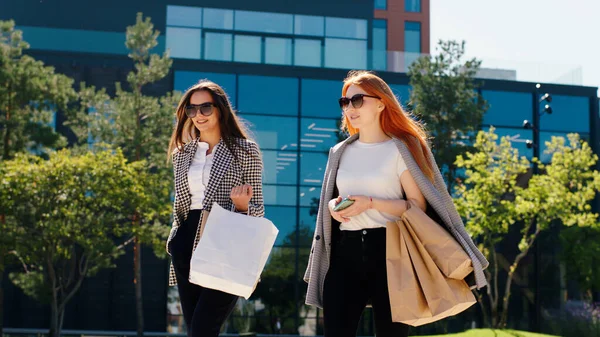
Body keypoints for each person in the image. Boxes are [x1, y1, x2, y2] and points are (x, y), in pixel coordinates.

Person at [303, 70, 489, 337]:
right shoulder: (339, 151)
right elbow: (335, 197)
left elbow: (416, 206)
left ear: (381, 103)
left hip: (391, 253)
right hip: (346, 253)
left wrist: (370, 203)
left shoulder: (401, 148)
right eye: (345, 102)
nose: (349, 108)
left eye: (357, 100)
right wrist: (333, 207)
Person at [165, 80, 265, 337]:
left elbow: (259, 209)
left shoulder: (245, 150)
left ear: (220, 109)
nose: (198, 115)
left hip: (225, 239)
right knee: (194, 329)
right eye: (192, 109)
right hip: (186, 241)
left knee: (203, 328)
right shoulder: (182, 154)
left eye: (205, 108)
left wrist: (243, 207)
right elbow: (182, 204)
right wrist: (175, 239)